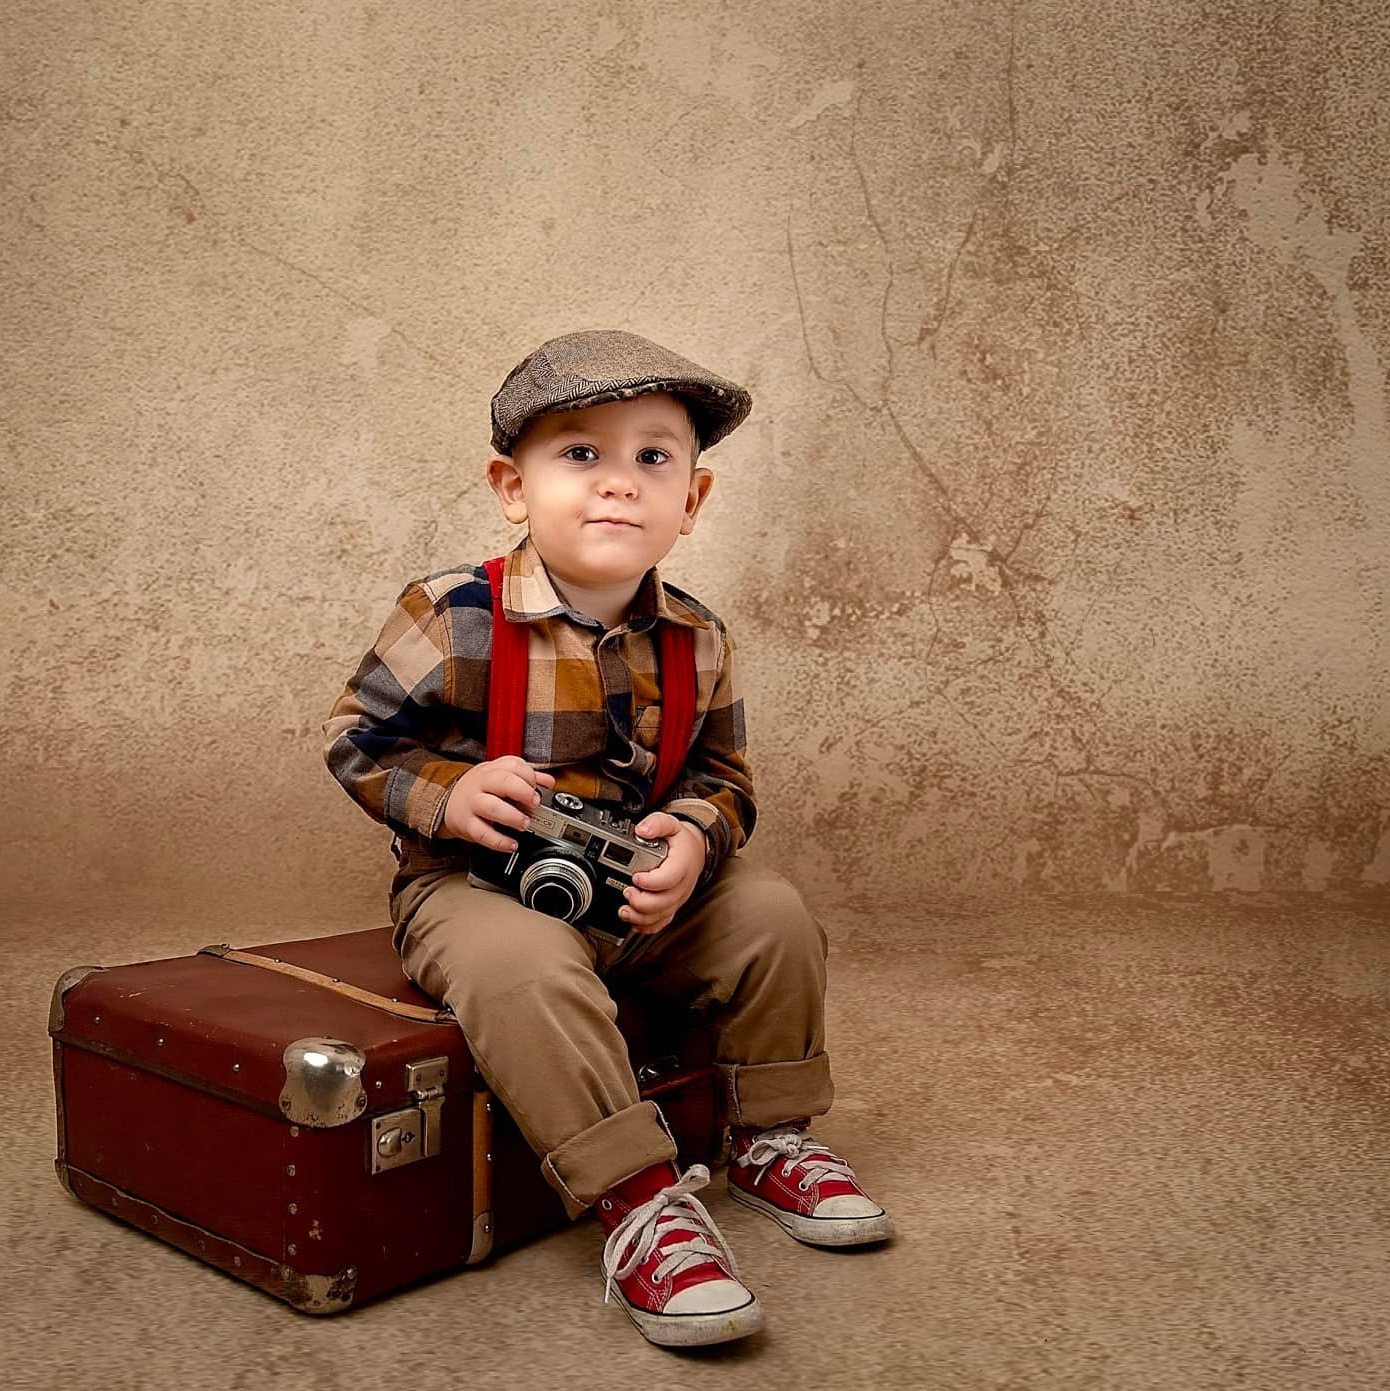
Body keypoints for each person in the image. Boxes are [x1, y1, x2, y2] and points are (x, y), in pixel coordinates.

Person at [322, 328, 894, 1348]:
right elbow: (357, 739)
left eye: (652, 457)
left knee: (772, 911)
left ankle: (768, 1133)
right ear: (512, 487)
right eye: (580, 454)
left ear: (693, 501)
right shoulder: (454, 613)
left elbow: (725, 777)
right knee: (521, 966)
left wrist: (693, 838)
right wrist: (449, 794)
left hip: (637, 894)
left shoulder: (698, 638)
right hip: (475, 890)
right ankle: (638, 1199)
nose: (619, 484)